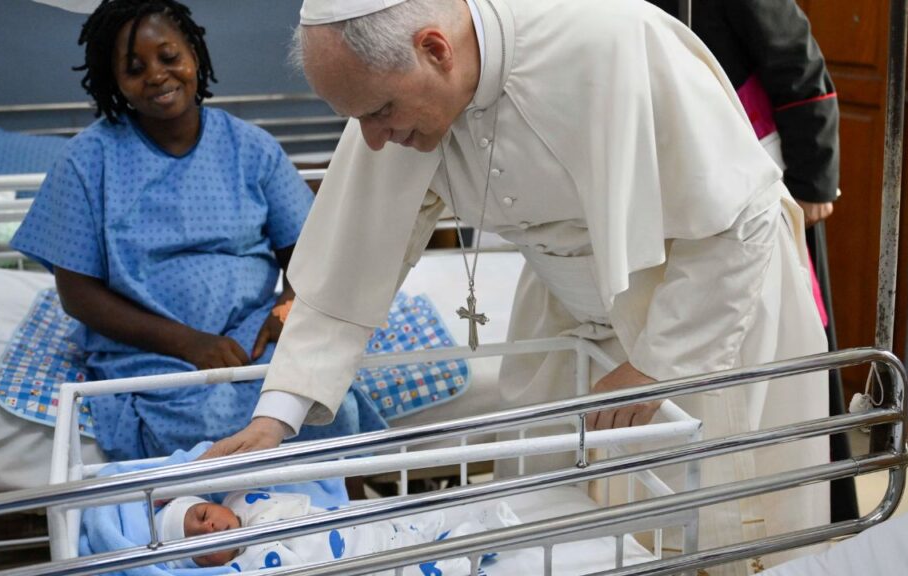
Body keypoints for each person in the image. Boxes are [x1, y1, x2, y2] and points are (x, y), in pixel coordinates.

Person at [204, 0, 829, 570]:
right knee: (549, 520)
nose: (373, 138)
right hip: (573, 310)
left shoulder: (616, 40)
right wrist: (276, 417)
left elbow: (740, 216)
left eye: (380, 113)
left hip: (707, 306)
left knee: (723, 526)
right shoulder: (392, 88)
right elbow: (347, 263)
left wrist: (658, 363)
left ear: (436, 50)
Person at [10, 0, 384, 461]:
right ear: (114, 81)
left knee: (322, 401)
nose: (156, 75)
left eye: (169, 57)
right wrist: (189, 343)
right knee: (204, 423)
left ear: (194, 53)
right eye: (133, 67)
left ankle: (334, 519)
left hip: (250, 334)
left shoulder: (251, 149)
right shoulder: (87, 162)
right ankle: (222, 525)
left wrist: (285, 310)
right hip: (149, 346)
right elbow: (78, 295)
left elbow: (307, 257)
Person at [648, 0, 859, 525]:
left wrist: (814, 179)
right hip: (683, 175)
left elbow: (797, 59)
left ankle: (815, 510)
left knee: (790, 340)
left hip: (760, 170)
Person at [153, 490, 517, 572]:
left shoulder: (245, 500)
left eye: (202, 514)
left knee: (415, 523)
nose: (210, 528)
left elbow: (231, 464)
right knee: (420, 564)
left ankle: (474, 521)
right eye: (199, 542)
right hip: (367, 563)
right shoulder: (243, 567)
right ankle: (473, 542)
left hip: (363, 527)